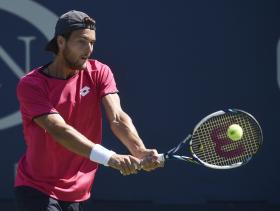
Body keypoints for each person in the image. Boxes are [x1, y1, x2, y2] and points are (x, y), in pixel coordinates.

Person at [14, 10, 162, 211]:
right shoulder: (31, 85)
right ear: (61, 42)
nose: (89, 49)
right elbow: (59, 130)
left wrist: (139, 150)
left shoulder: (99, 72)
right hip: (37, 189)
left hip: (78, 192)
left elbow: (117, 117)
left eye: (92, 42)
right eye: (82, 42)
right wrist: (110, 158)